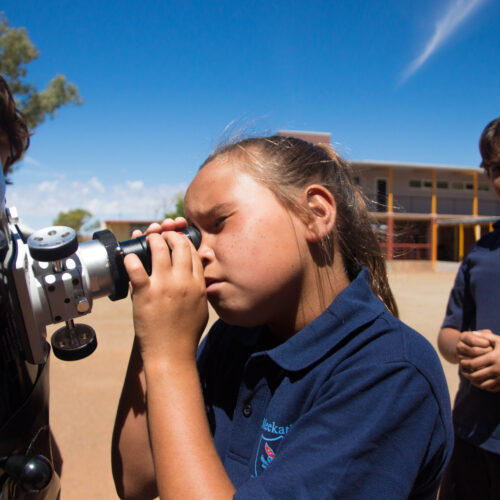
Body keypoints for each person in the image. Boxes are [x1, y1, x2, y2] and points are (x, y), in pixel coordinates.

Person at [112, 135, 453, 499]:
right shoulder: (232, 338)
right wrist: (152, 337)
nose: (199, 252)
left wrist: (169, 357)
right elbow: (137, 483)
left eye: (219, 223)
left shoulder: (389, 372)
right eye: (193, 233)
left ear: (315, 214)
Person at [438, 117, 500, 500]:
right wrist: (464, 346)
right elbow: (447, 334)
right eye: (496, 169)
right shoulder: (481, 252)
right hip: (471, 434)